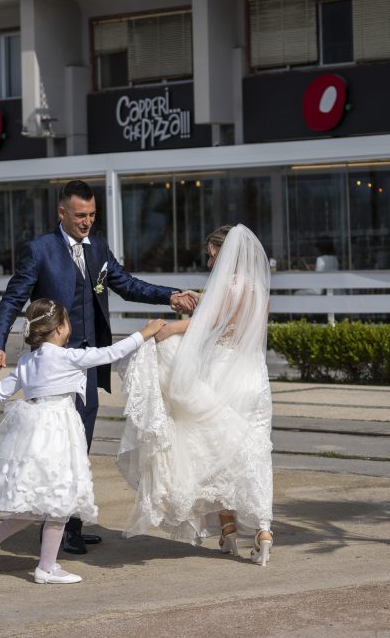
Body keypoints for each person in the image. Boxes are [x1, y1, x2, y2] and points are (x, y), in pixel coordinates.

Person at [0, 180, 197, 554]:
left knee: (79, 447)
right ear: (61, 213)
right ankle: (58, 527)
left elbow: (126, 284)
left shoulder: (97, 248)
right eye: (80, 215)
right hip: (54, 368)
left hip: (88, 364)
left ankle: (70, 524)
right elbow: (12, 300)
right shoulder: (39, 251)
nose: (87, 222)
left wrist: (170, 295)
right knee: (57, 450)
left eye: (93, 215)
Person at [0, 299, 165, 584]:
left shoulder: (28, 360)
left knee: (38, 501)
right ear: (61, 327)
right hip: (57, 430)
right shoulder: (66, 357)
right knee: (58, 499)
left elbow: (2, 389)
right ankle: (45, 567)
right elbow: (111, 352)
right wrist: (146, 332)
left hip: (34, 431)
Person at [117, 224, 275, 565]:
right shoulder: (259, 289)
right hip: (255, 376)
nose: (209, 260)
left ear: (225, 251)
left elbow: (210, 321)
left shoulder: (226, 287)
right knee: (254, 449)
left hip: (223, 371)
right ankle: (262, 530)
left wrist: (167, 328)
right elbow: (235, 317)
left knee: (215, 449)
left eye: (212, 253)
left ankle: (229, 530)